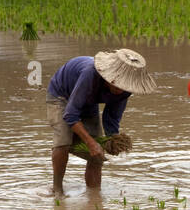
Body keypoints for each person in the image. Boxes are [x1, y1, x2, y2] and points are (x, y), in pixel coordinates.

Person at [47, 49, 155, 197]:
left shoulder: (125, 90)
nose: (119, 90)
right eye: (117, 85)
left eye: (124, 87)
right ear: (108, 77)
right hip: (61, 95)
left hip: (89, 100)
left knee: (98, 155)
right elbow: (70, 115)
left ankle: (94, 194)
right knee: (63, 141)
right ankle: (57, 189)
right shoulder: (89, 74)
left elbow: (112, 117)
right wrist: (90, 142)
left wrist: (112, 139)